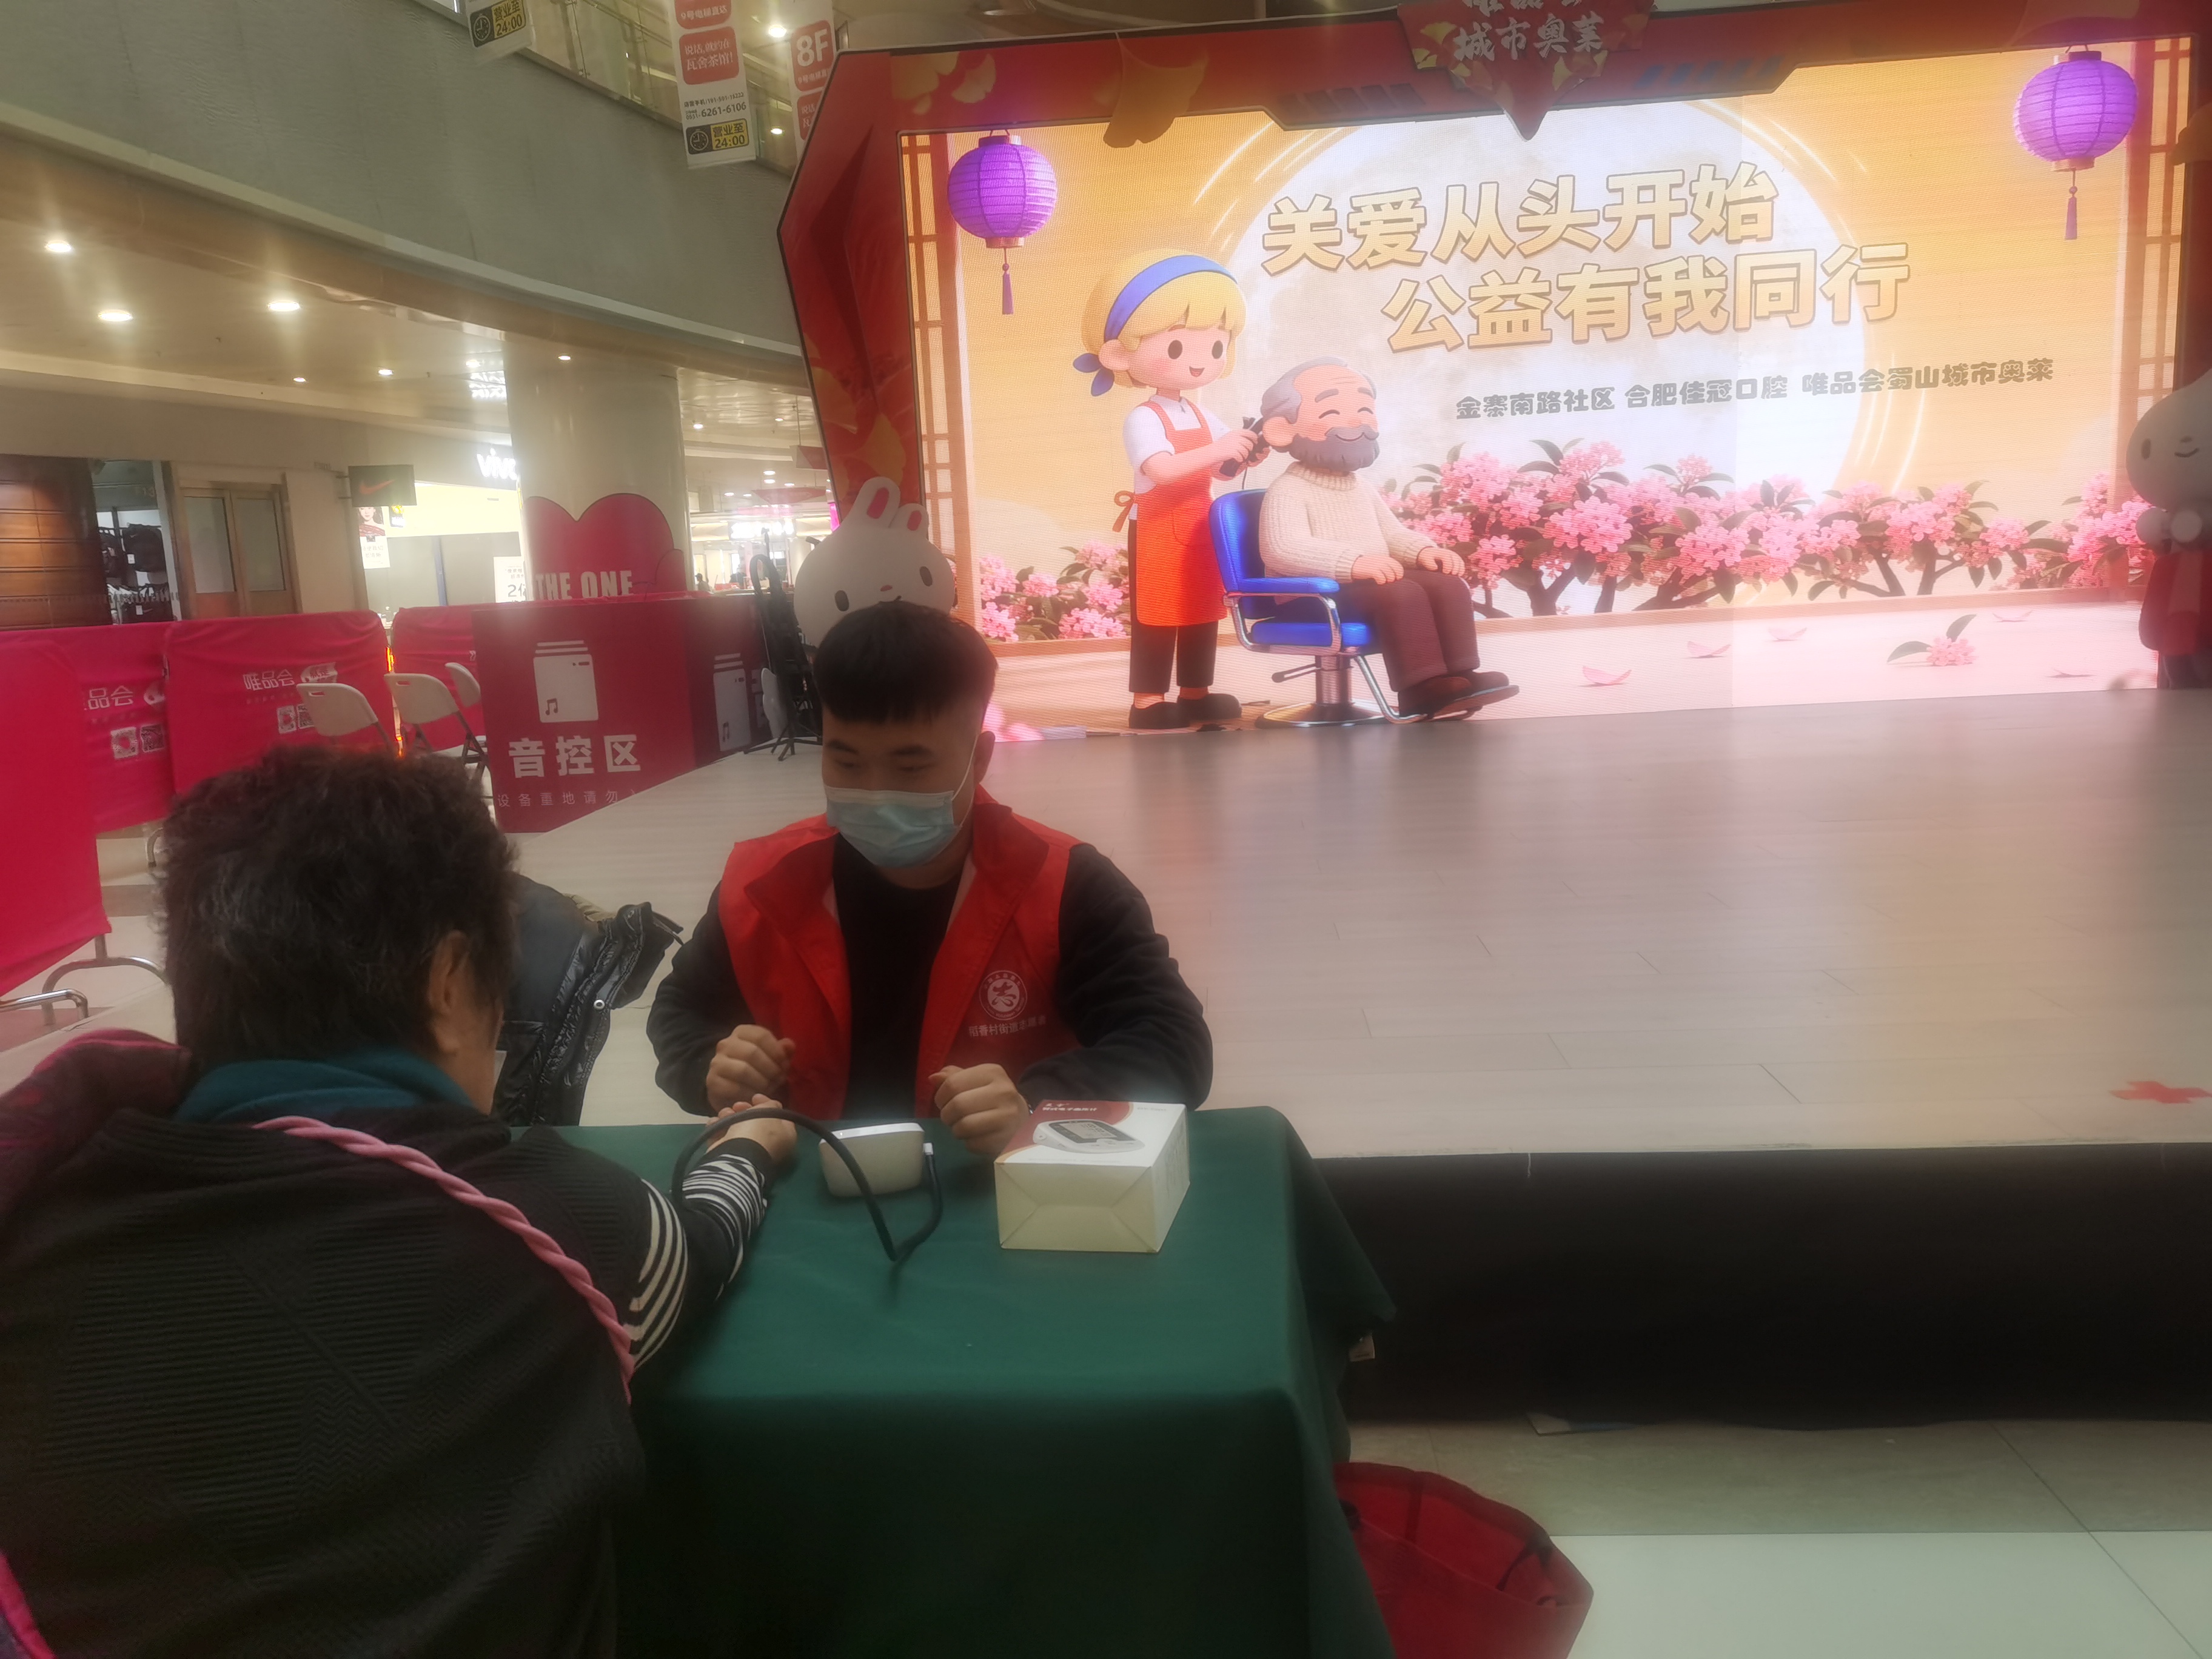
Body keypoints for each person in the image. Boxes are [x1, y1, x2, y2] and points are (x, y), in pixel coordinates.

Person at [0, 748, 796, 1658]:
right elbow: (700, 1245)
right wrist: (749, 1148)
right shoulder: (562, 1230)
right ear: (449, 984)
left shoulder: (38, 1217)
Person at [649, 600, 1211, 1152]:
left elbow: (1173, 1047)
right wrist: (710, 1067)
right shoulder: (762, 885)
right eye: (846, 762)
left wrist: (1035, 1103)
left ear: (979, 758)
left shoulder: (1065, 887)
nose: (874, 791)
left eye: (910, 766)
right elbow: (681, 1013)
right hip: (813, 1181)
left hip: (989, 1189)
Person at [1256, 357, 1519, 719]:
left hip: (1362, 589)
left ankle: (1461, 675)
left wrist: (1423, 551)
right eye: (1333, 412)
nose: (1357, 422)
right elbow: (1282, 549)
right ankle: (1419, 688)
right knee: (1401, 593)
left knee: (1447, 585)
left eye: (1365, 410)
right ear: (1282, 430)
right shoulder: (1288, 489)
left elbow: (1390, 533)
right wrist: (1354, 563)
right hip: (1314, 597)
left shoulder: (1360, 486)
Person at [1074, 248, 1262, 729]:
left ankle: (1196, 692)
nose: (1201, 362)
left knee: (1201, 610)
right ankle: (1148, 700)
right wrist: (1220, 449)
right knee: (1157, 615)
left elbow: (1217, 472)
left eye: (1216, 347)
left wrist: (1243, 454)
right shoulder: (1144, 417)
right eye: (1177, 348)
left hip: (1200, 526)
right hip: (1157, 529)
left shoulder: (1199, 412)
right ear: (1123, 353)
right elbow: (1161, 470)